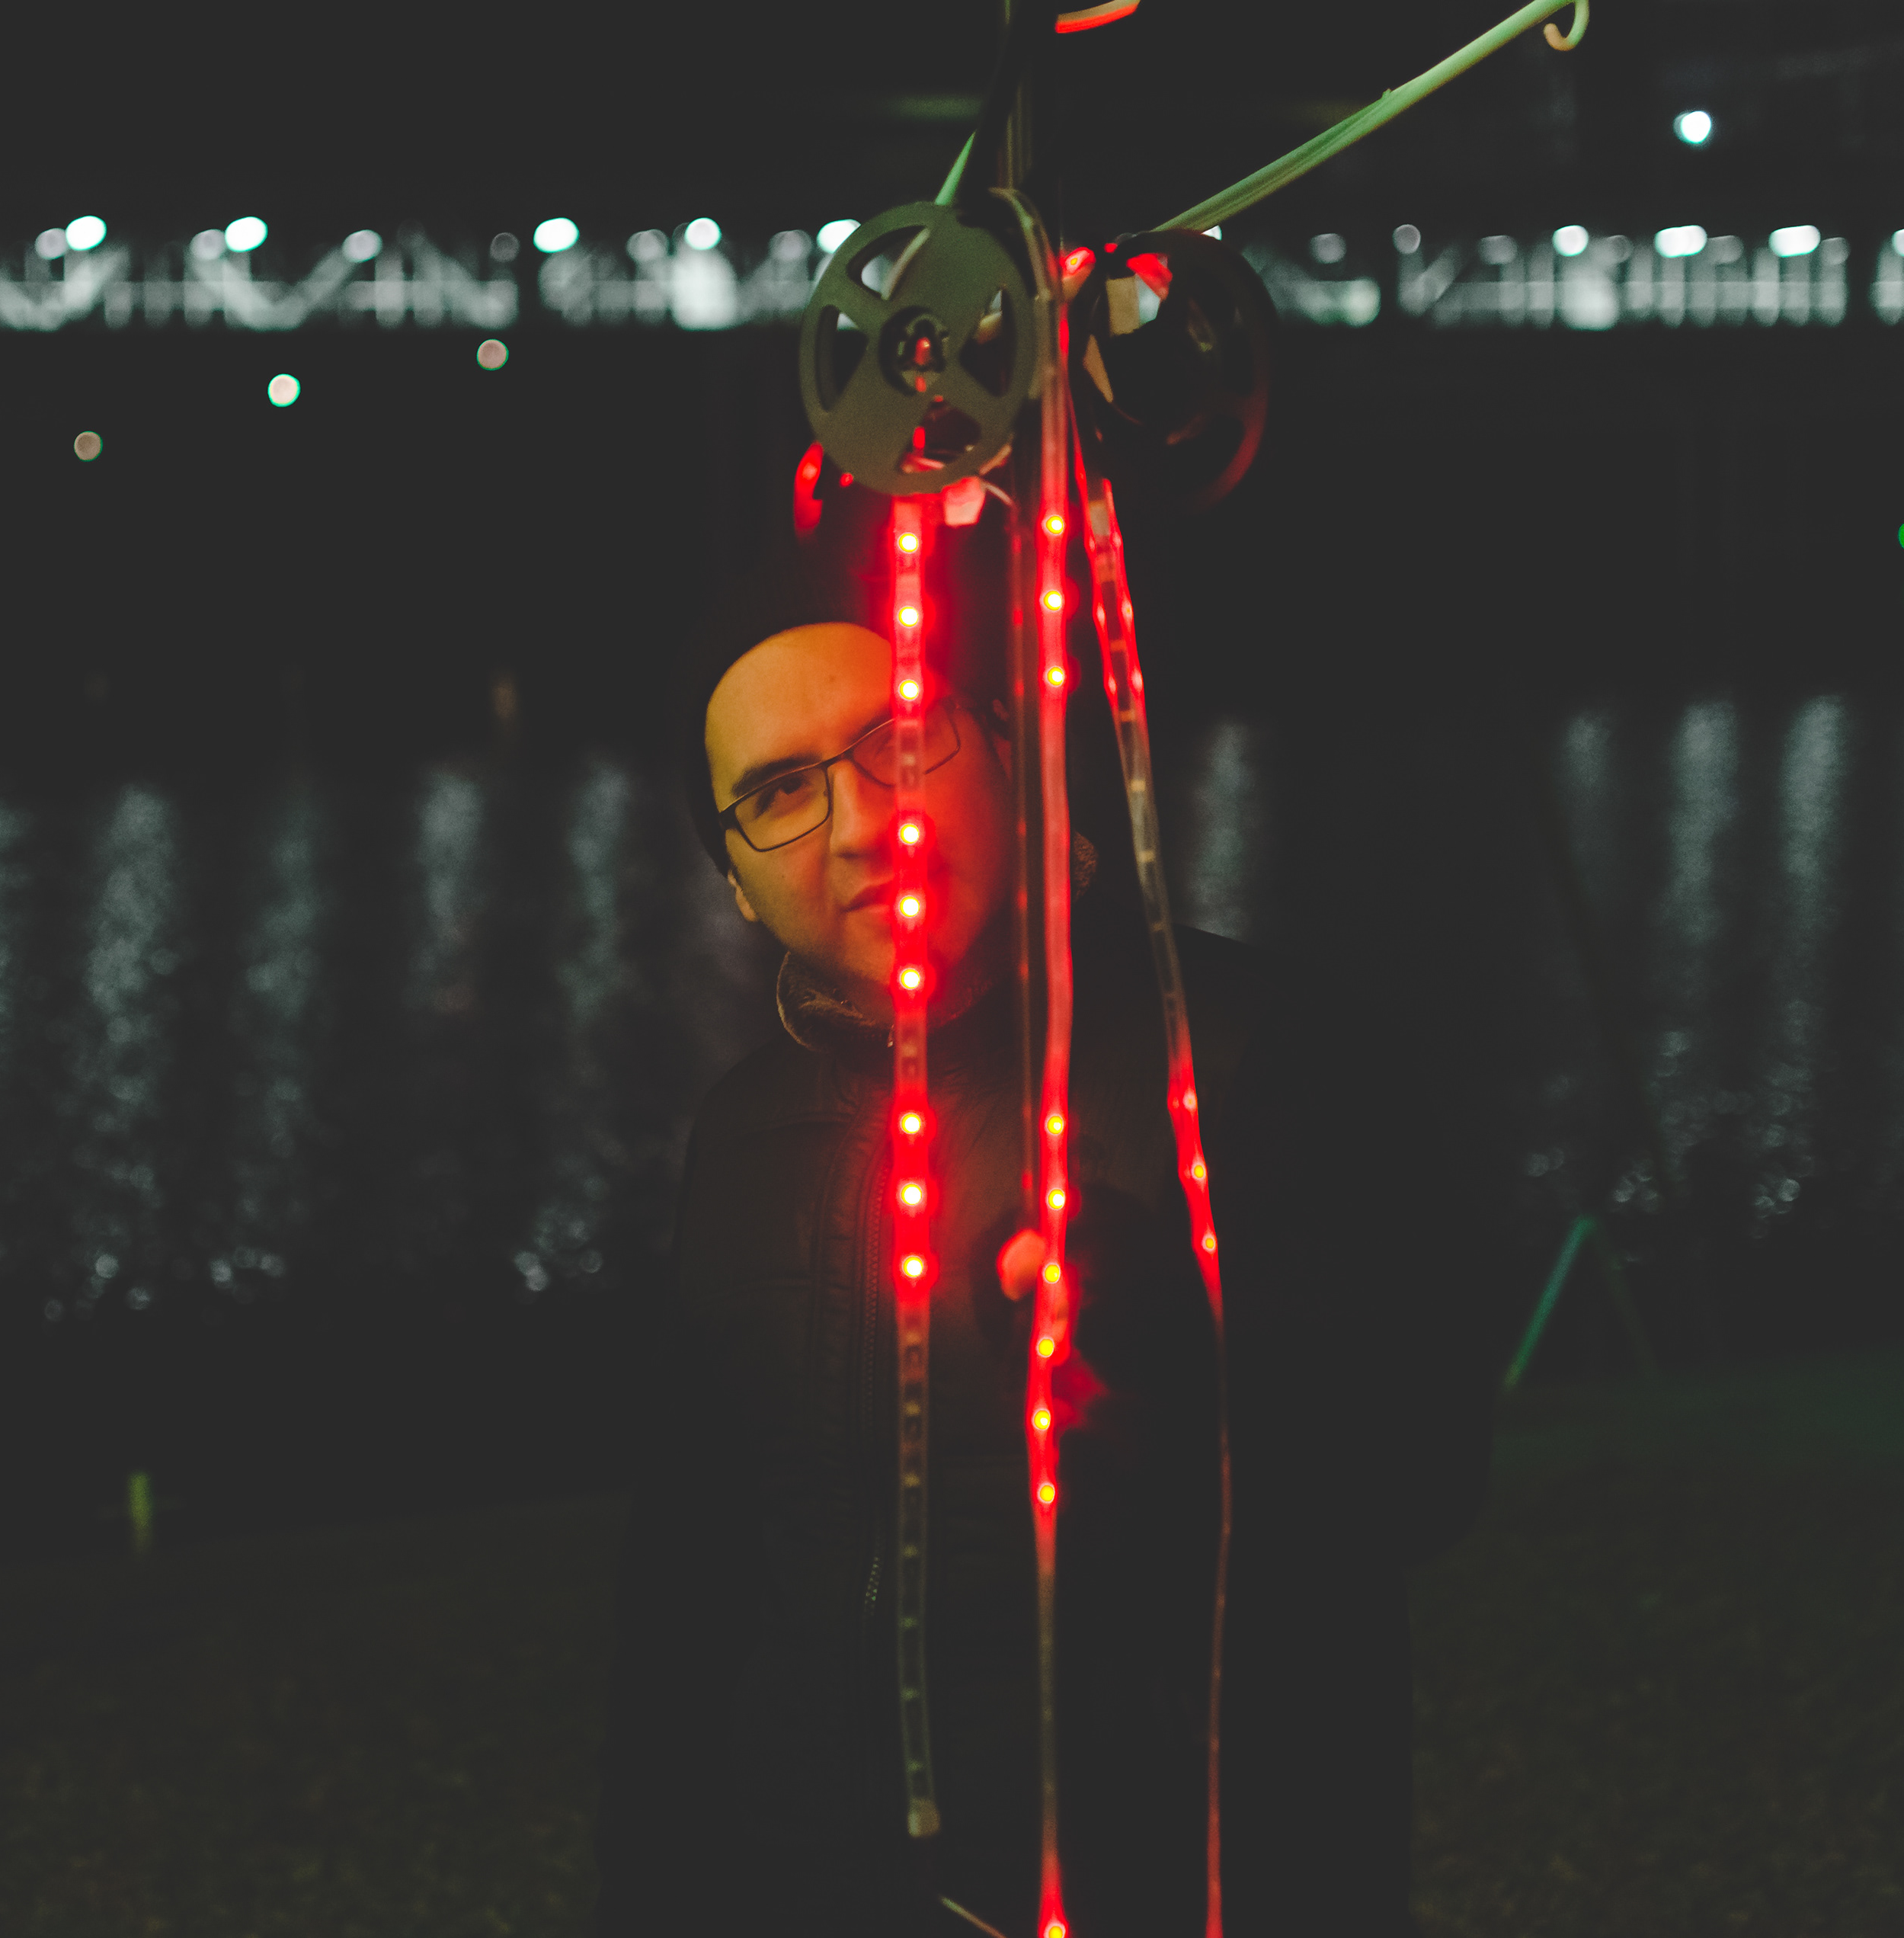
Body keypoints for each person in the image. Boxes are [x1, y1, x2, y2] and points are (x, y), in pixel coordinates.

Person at [594, 543, 1492, 1936]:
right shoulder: (745, 1131)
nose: (861, 825)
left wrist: (1163, 1361)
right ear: (732, 884)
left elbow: (1421, 1479)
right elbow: (690, 1580)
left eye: (901, 739)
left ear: (1008, 745)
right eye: (777, 793)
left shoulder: (1262, 1061)